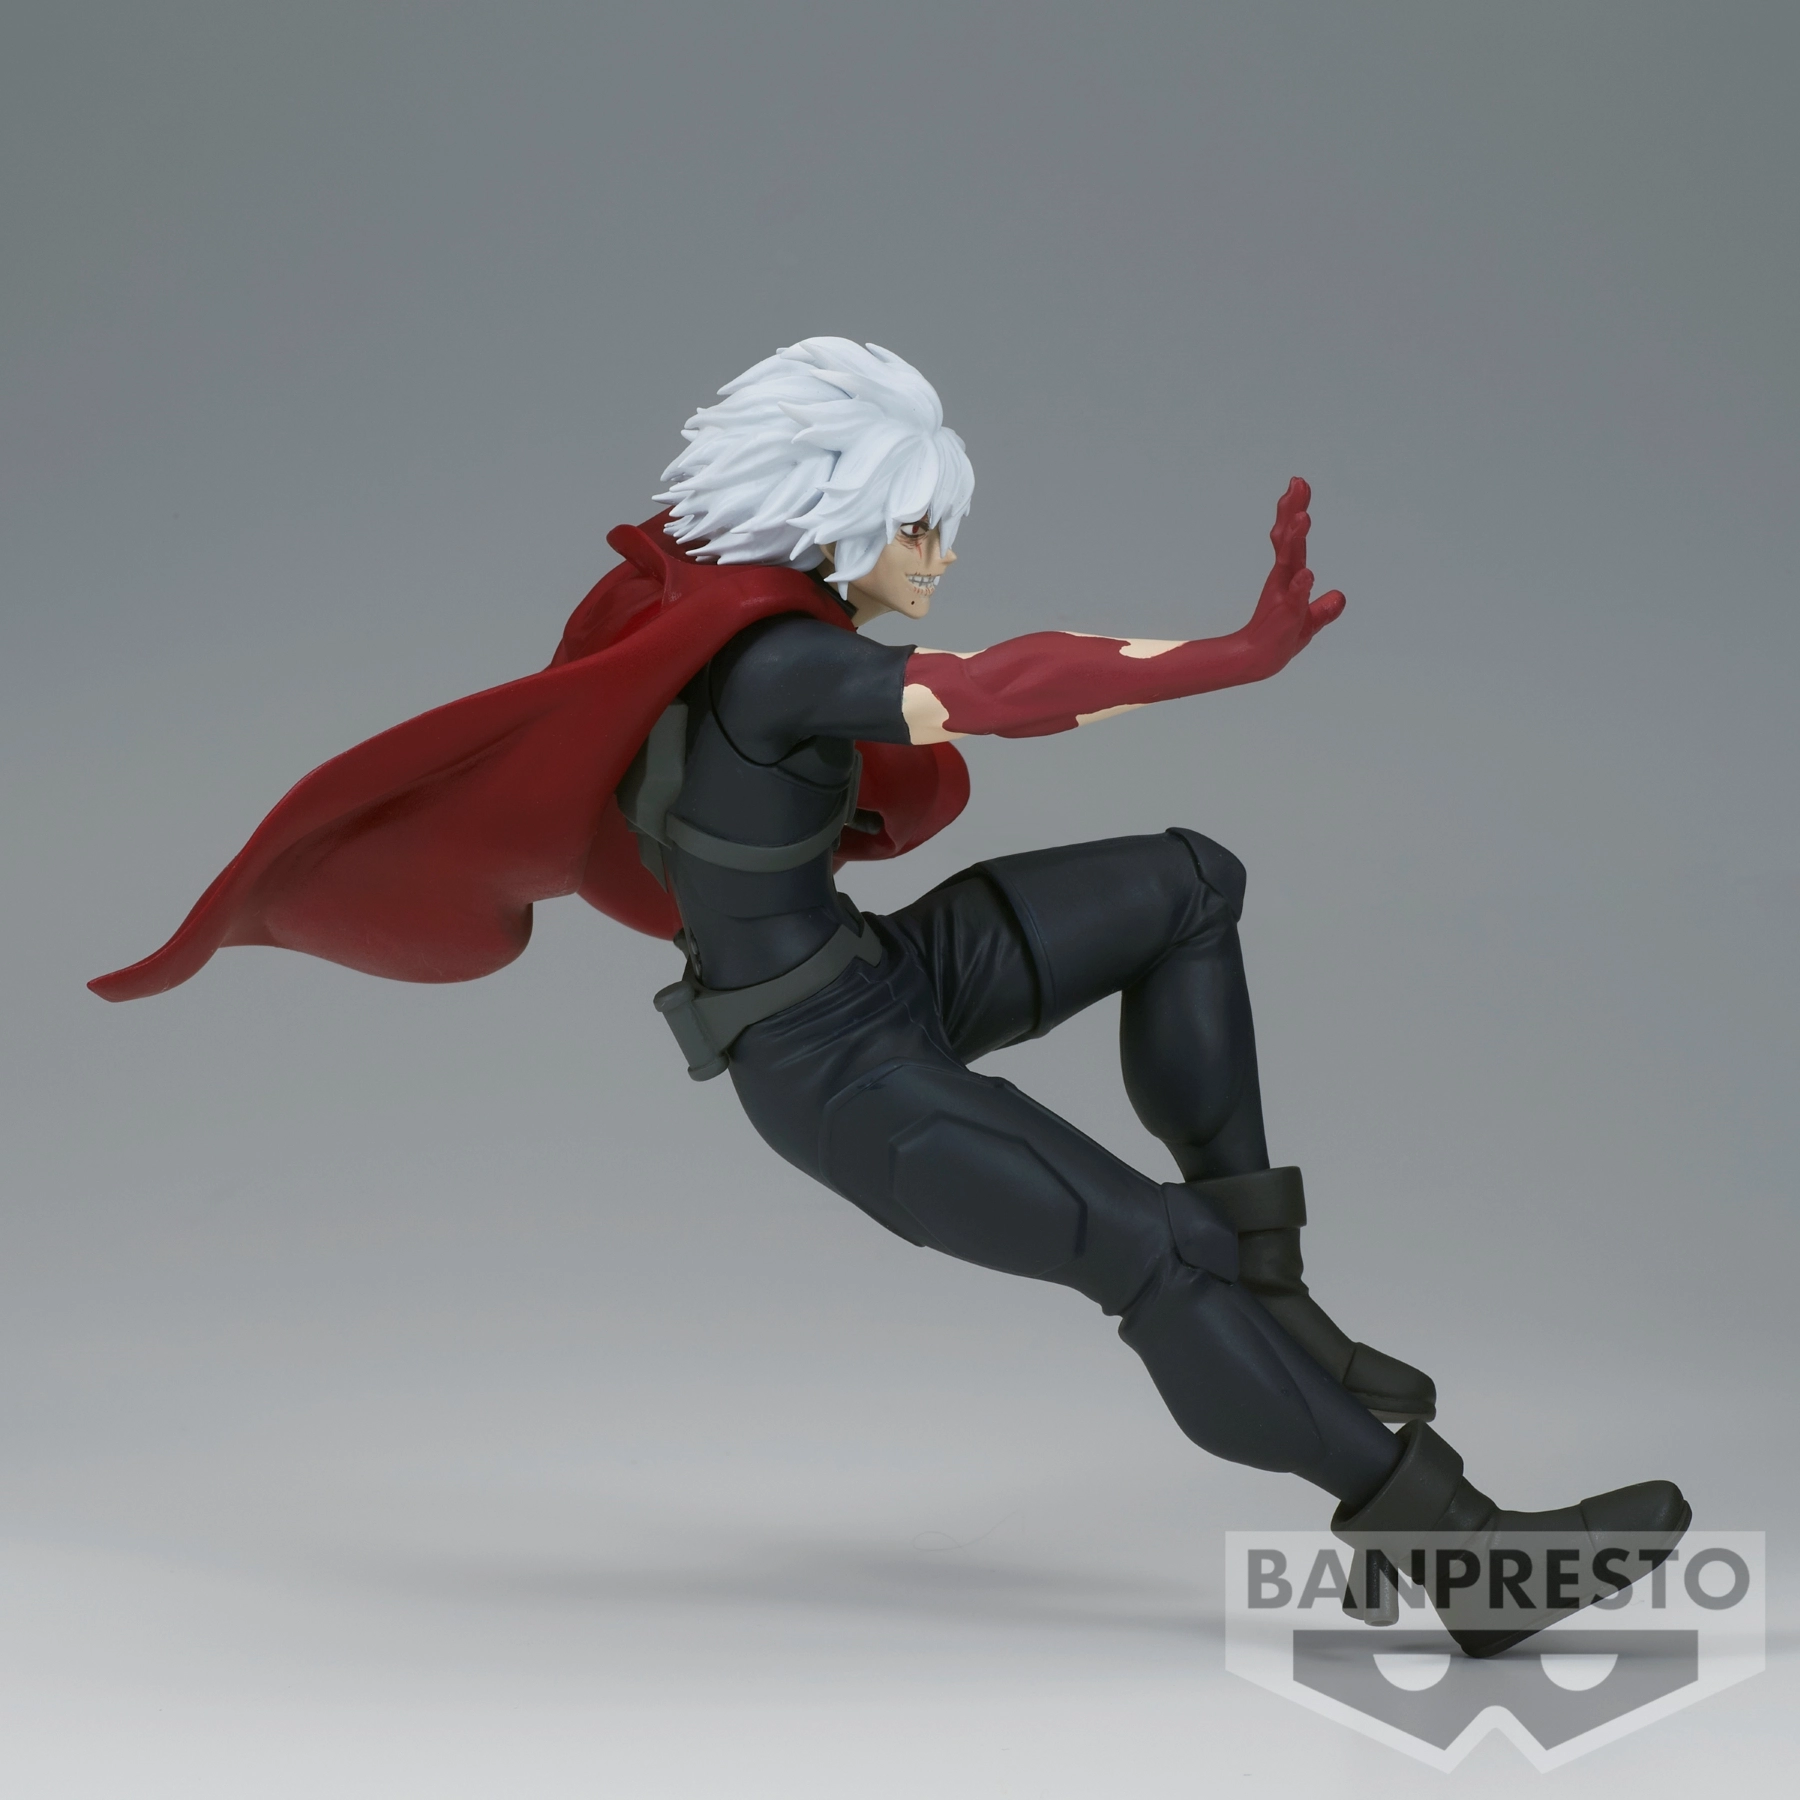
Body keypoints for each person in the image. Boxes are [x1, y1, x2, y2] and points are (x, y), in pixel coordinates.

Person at [91, 338, 1688, 1655]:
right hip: (832, 1071)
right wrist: (1232, 654)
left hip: (878, 979)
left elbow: (971, 694)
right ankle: (1464, 1557)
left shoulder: (723, 620)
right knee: (1153, 1254)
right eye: (918, 529)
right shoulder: (776, 664)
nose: (937, 559)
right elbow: (997, 690)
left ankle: (1275, 1301)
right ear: (833, 516)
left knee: (1189, 883)